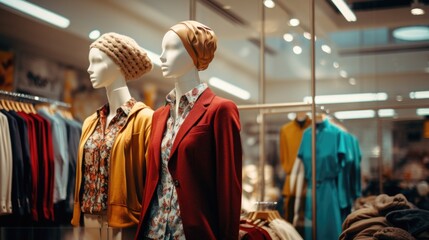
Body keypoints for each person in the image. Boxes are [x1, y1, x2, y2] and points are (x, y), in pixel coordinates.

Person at [135, 20, 242, 240]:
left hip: (191, 232)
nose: (162, 56)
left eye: (172, 48)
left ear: (196, 54)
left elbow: (229, 188)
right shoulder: (158, 116)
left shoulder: (219, 110)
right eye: (163, 49)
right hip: (153, 231)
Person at [71, 32, 153, 240]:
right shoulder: (90, 122)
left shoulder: (144, 119)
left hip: (123, 223)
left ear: (119, 64)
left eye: (97, 61)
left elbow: (152, 178)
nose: (89, 69)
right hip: (88, 219)